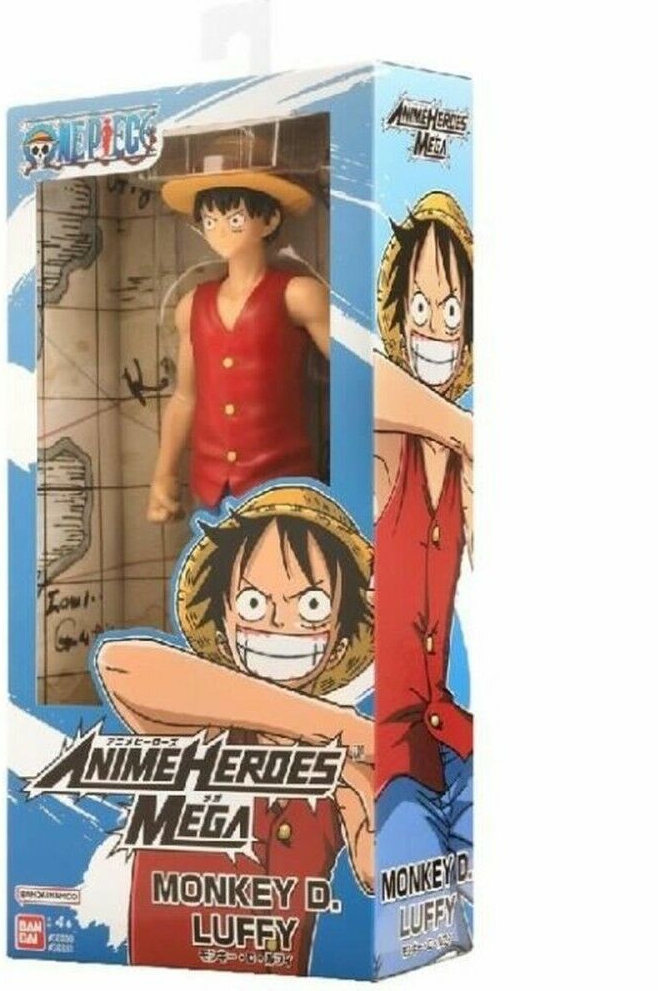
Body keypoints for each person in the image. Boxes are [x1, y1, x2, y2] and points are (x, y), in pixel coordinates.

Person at [96, 484, 375, 974]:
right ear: (224, 615)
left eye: (311, 606)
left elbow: (377, 873)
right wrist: (340, 728)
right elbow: (118, 663)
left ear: (340, 634)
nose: (278, 623)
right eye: (252, 603)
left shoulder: (346, 775)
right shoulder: (195, 721)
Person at [372, 191, 475, 972]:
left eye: (452, 309)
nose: (435, 326)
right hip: (390, 761)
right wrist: (468, 432)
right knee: (411, 929)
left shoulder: (467, 476)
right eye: (419, 305)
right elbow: (365, 379)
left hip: (457, 745)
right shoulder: (390, 446)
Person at [147, 148, 330, 521]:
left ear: (270, 220)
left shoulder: (298, 295)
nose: (220, 231)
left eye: (235, 219)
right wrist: (163, 474)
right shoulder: (192, 306)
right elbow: (185, 397)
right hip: (212, 487)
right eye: (210, 220)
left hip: (283, 483)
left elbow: (357, 377)